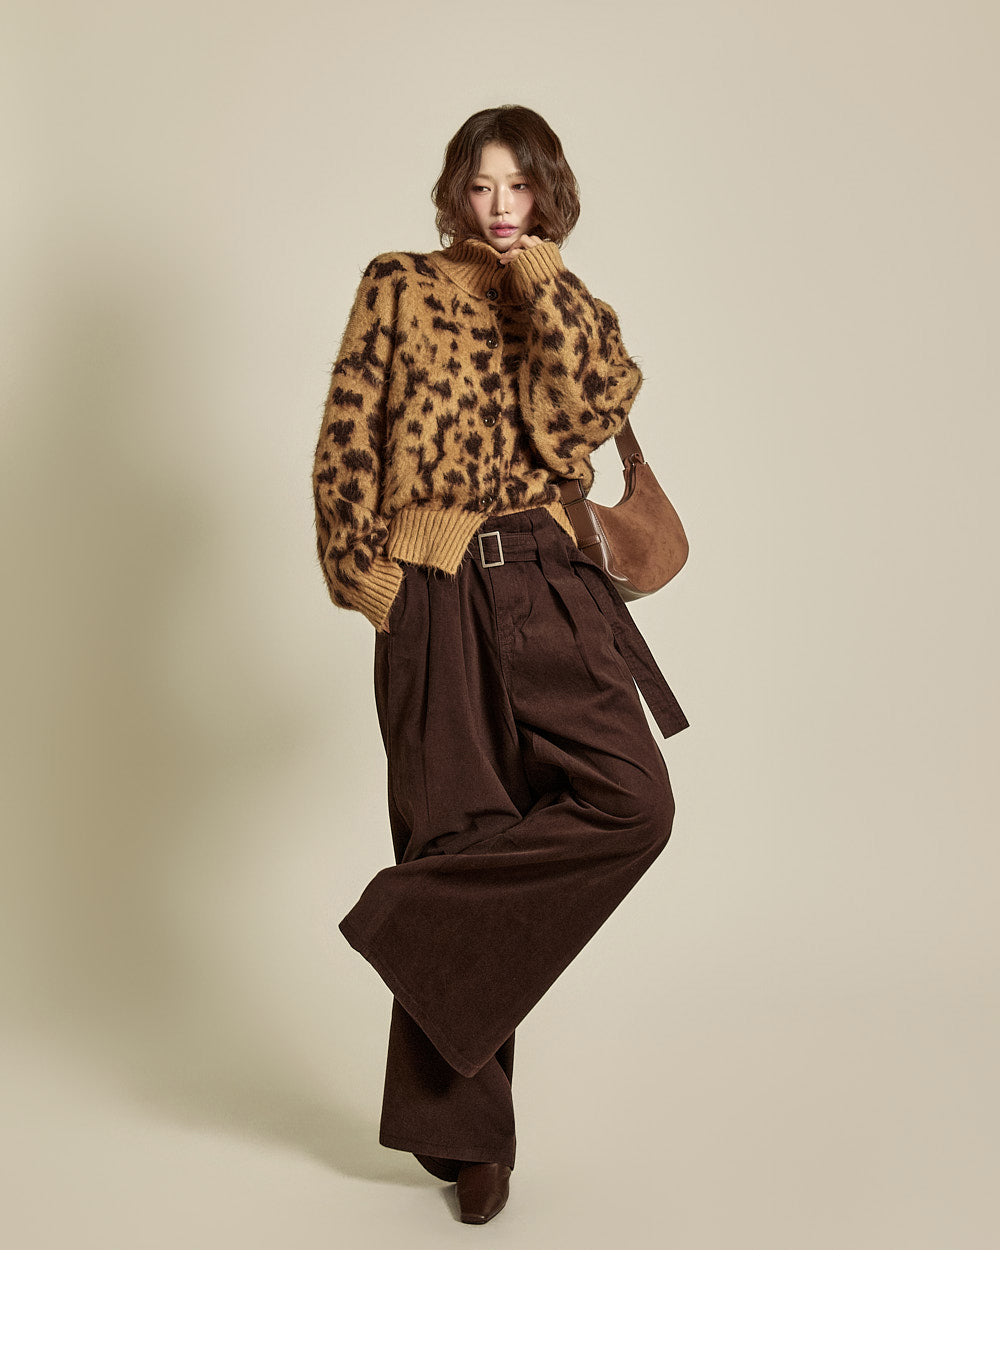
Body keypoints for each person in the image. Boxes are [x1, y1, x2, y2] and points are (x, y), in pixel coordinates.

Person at [311, 104, 689, 1224]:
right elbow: (346, 440)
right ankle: (470, 1137)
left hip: (551, 577)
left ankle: (404, 918)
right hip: (434, 591)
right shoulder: (397, 285)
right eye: (479, 186)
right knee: (459, 832)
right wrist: (368, 581)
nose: (498, 206)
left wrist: (543, 284)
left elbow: (590, 409)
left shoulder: (573, 304)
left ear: (546, 191)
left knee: (633, 801)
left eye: (517, 185)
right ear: (455, 192)